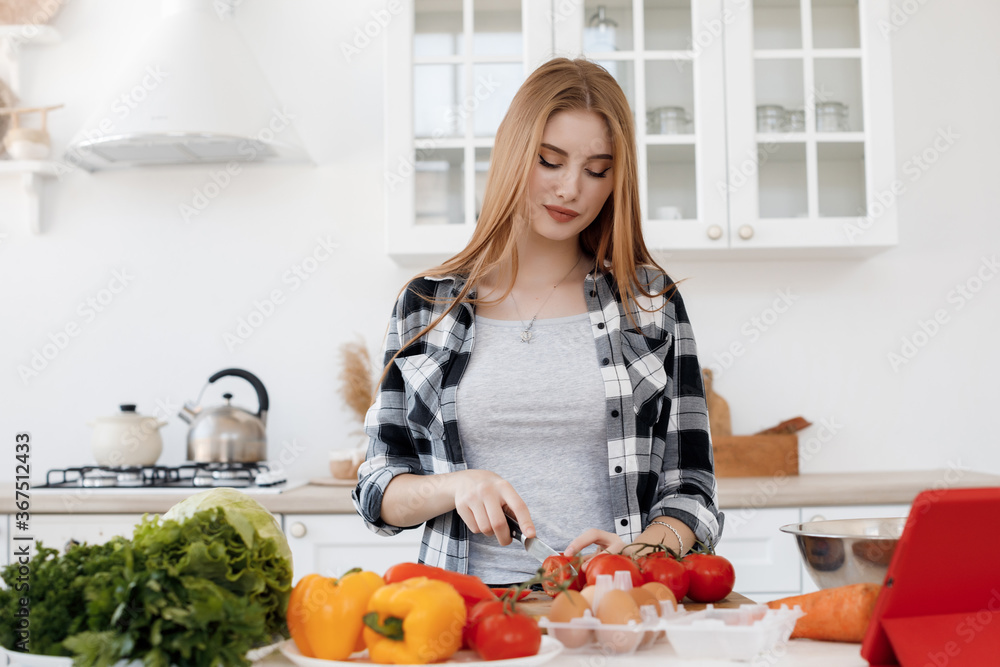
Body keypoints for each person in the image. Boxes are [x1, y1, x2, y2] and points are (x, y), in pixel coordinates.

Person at [353, 57, 722, 586]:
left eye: (597, 169)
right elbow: (377, 485)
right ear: (512, 156)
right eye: (550, 161)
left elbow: (692, 488)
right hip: (463, 610)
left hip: (611, 606)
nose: (572, 188)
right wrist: (455, 487)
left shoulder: (649, 301)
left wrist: (640, 552)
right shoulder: (427, 304)